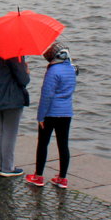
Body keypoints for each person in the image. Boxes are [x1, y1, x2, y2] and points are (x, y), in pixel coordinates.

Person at [26, 42, 78, 188]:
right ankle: (62, 178)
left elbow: (46, 95)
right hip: (66, 112)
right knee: (63, 145)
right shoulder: (71, 69)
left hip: (51, 113)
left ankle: (38, 176)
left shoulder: (53, 71)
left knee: (43, 143)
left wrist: (40, 117)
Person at [0, 50, 30, 177]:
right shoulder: (14, 52)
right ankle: (7, 167)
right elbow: (23, 79)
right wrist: (27, 72)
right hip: (11, 97)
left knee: (0, 130)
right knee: (10, 133)